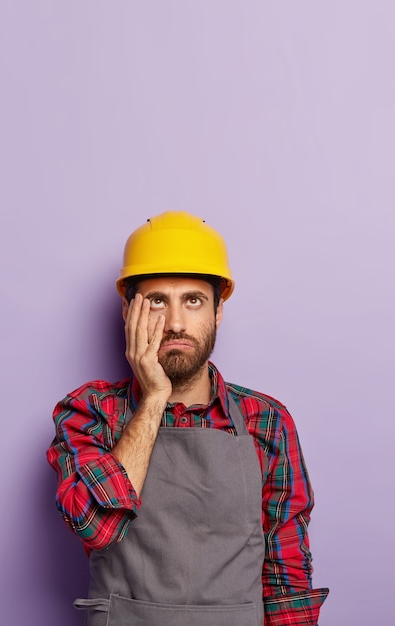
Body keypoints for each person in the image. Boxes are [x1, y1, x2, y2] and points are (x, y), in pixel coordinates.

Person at [47, 211, 328, 625]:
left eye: (193, 300)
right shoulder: (91, 412)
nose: (175, 322)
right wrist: (154, 397)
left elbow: (285, 577)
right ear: (128, 312)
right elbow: (97, 526)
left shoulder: (265, 421)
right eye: (157, 300)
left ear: (217, 312)